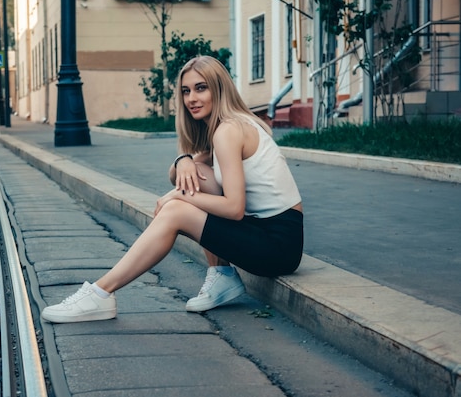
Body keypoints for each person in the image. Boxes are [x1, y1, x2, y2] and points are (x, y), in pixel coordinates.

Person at [41, 56, 304, 324]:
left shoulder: (228, 130)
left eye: (201, 88)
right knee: (194, 180)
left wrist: (178, 197)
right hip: (265, 233)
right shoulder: (231, 126)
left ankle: (100, 293)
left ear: (219, 89)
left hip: (278, 246)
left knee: (177, 209)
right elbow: (177, 175)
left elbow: (234, 209)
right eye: (186, 91)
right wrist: (184, 159)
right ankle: (222, 276)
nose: (192, 98)